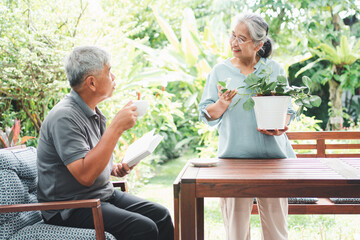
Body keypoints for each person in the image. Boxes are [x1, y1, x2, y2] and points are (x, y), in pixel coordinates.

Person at [37, 46, 174, 240]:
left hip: (99, 196)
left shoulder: (91, 112)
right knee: (143, 228)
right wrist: (116, 128)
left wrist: (114, 168)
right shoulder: (64, 117)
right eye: (109, 71)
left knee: (161, 216)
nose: (114, 76)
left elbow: (87, 158)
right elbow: (85, 175)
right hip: (70, 208)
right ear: (91, 83)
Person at [198, 13, 296, 240]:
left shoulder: (274, 69)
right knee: (236, 234)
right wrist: (221, 104)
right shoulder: (220, 72)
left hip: (274, 161)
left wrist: (282, 126)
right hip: (233, 162)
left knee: (277, 234)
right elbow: (206, 114)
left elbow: (288, 111)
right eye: (233, 36)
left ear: (259, 44)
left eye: (242, 38)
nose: (234, 42)